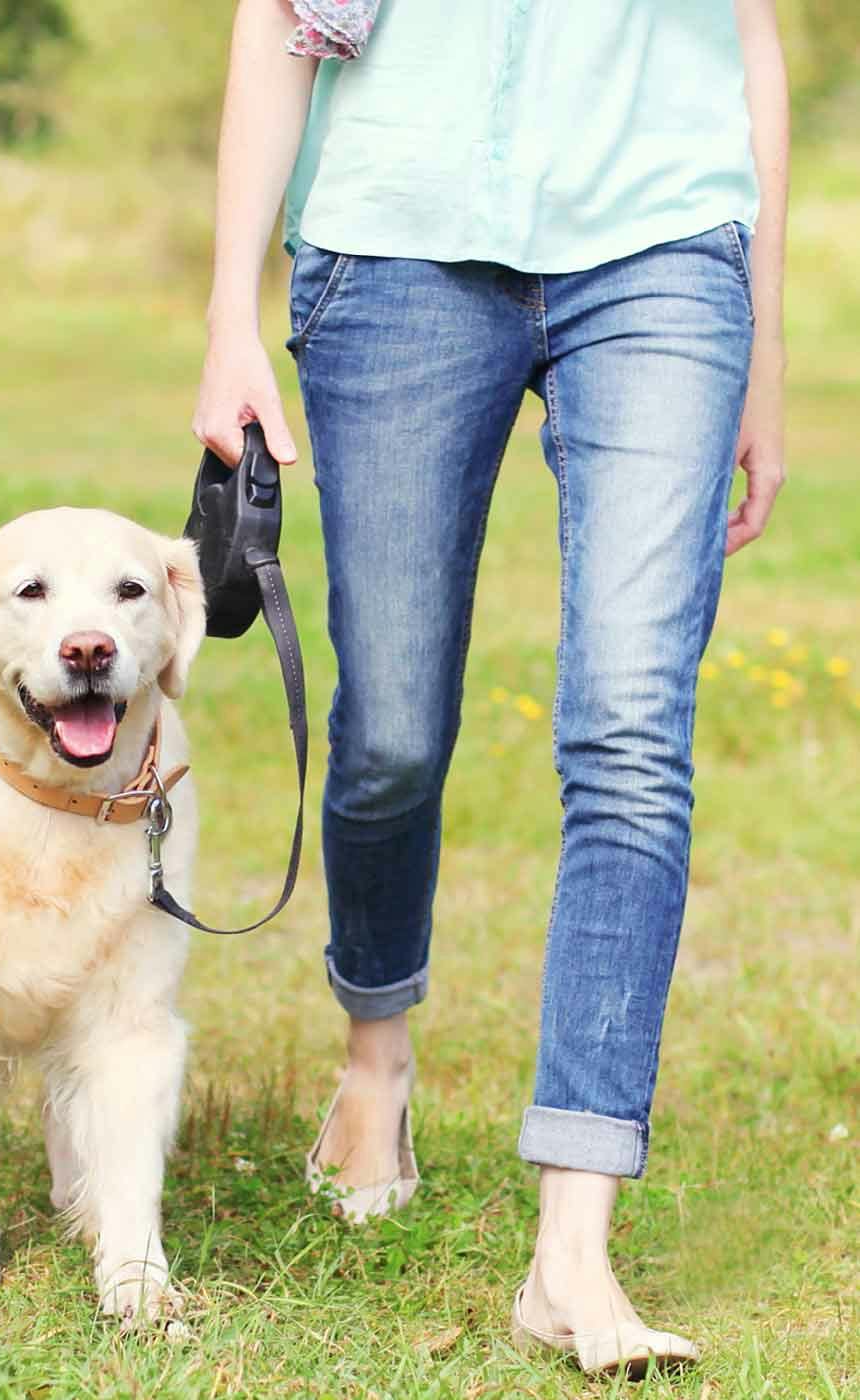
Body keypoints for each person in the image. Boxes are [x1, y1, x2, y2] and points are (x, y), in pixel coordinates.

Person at [192, 0, 787, 1376]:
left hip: (662, 242)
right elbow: (279, 20)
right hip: (396, 238)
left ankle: (572, 1246)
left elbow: (751, 34)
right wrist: (229, 312)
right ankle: (375, 1058)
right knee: (390, 731)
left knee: (633, 725)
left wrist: (762, 345)